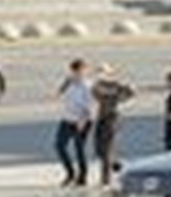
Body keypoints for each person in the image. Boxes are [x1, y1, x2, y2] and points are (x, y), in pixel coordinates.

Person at [91, 63, 136, 188]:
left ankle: (105, 180)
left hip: (112, 118)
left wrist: (121, 95)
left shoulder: (115, 85)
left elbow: (130, 92)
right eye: (99, 71)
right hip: (101, 117)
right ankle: (117, 165)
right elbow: (96, 93)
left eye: (103, 71)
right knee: (99, 149)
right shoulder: (97, 85)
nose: (100, 73)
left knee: (106, 149)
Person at [54, 60, 94, 188]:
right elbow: (58, 94)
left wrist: (82, 122)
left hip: (82, 120)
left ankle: (82, 176)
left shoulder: (87, 86)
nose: (76, 74)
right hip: (67, 119)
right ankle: (70, 173)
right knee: (59, 145)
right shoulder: (69, 83)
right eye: (73, 72)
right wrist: (65, 83)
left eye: (79, 72)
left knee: (79, 147)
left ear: (83, 72)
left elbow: (90, 107)